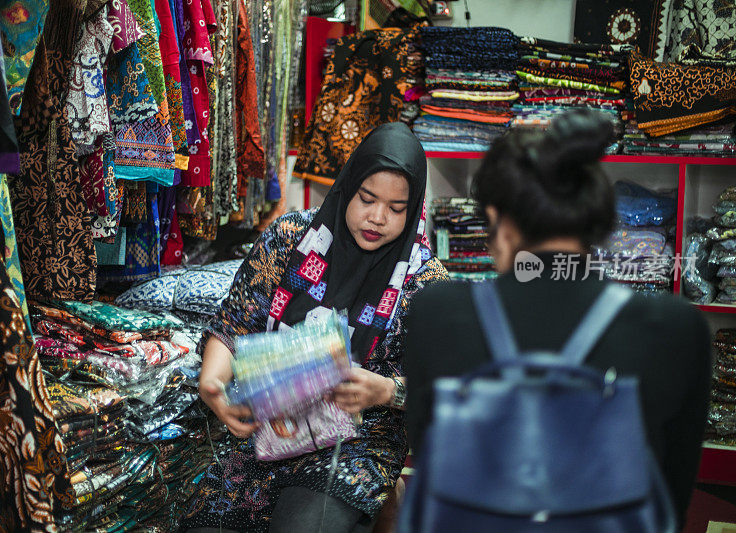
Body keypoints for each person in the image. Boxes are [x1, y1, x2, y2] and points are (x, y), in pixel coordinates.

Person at [404, 109, 711, 523]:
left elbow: (430, 456)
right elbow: (669, 498)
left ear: (498, 222)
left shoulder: (435, 311)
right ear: (597, 220)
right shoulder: (676, 328)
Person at [183, 122, 448, 532]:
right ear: (347, 186)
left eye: (397, 209)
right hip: (267, 429)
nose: (377, 217)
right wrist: (214, 383)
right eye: (367, 198)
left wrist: (387, 390)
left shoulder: (424, 282)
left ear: (413, 210)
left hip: (358, 443)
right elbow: (234, 322)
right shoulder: (290, 239)